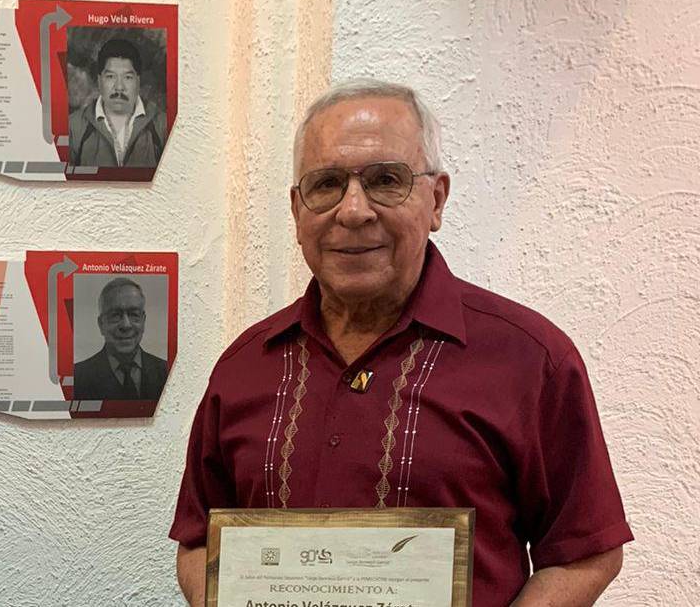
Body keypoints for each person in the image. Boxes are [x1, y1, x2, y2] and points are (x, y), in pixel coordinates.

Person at [170, 80, 631, 607]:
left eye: (386, 180)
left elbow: (585, 552)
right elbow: (198, 542)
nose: (353, 211)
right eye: (326, 184)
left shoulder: (531, 360)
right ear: (297, 211)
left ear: (436, 200)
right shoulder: (243, 367)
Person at [69, 38, 167, 168]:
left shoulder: (162, 125)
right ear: (99, 81)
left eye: (128, 77)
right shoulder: (73, 127)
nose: (119, 87)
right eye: (110, 76)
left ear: (138, 81)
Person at [73, 277, 169, 400]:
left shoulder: (167, 372)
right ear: (101, 324)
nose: (126, 325)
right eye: (115, 315)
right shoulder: (77, 378)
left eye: (134, 314)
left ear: (143, 321)